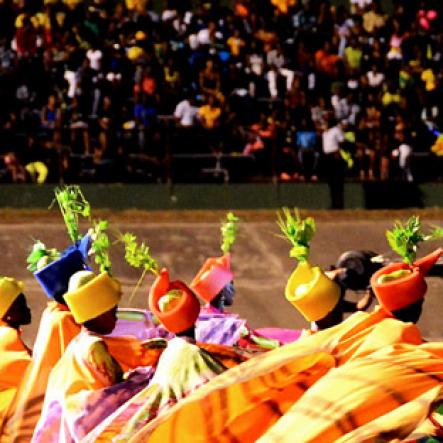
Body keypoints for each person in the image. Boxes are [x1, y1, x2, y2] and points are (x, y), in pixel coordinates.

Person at [32, 271, 124, 442]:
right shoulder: (95, 346)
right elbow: (119, 390)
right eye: (113, 312)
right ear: (99, 312)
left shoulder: (77, 344)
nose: (117, 318)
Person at [0, 278, 31, 430]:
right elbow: (32, 375)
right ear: (7, 313)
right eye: (21, 305)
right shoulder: (7, 337)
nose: (28, 309)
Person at [322, 116, 346, 209]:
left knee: (337, 181)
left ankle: (339, 204)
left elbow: (342, 141)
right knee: (331, 181)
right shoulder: (325, 132)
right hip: (327, 157)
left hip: (335, 156)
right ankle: (333, 203)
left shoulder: (336, 130)